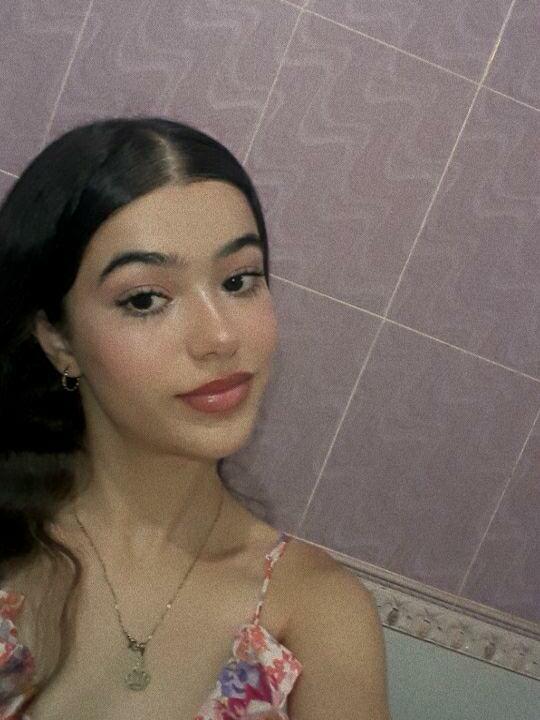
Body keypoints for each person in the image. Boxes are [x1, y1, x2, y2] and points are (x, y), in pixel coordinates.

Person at [0, 117, 391, 719]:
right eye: (145, 298)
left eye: (238, 281)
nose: (219, 337)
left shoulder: (315, 616)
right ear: (59, 341)